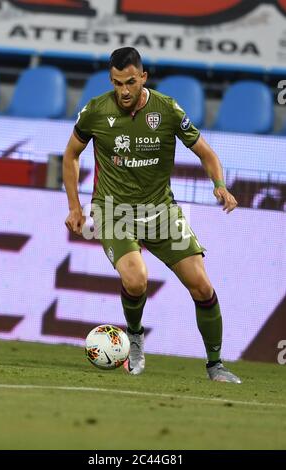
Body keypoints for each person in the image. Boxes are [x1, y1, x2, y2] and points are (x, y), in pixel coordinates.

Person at [63, 47, 241, 383]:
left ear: (143, 77)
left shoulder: (168, 109)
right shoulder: (95, 111)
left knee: (202, 287)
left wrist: (220, 185)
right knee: (136, 279)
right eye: (117, 83)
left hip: (160, 211)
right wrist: (74, 206)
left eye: (130, 82)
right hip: (113, 211)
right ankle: (134, 339)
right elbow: (71, 154)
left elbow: (205, 152)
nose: (124, 91)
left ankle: (215, 365)